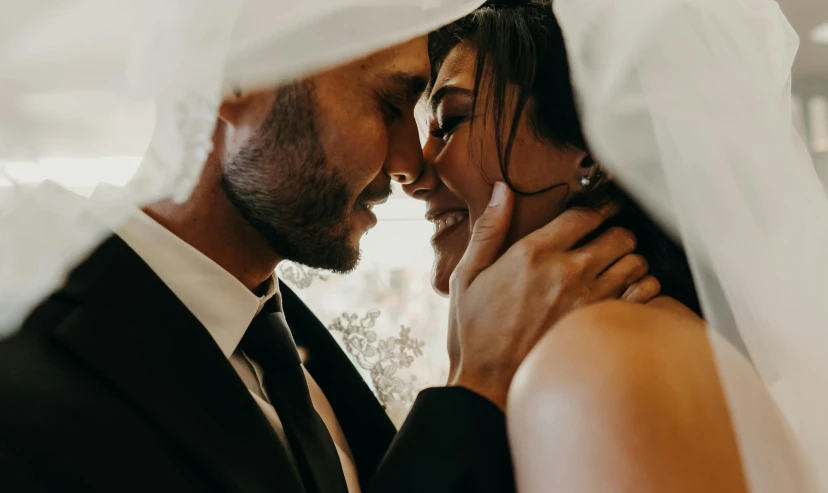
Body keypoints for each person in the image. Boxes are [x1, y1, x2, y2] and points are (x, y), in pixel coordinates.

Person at [0, 28, 658, 493]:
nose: (409, 164)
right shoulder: (24, 390)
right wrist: (474, 389)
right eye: (388, 105)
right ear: (236, 76)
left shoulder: (293, 346)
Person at [406, 1, 807, 491]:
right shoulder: (659, 341)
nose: (414, 173)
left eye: (448, 121)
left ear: (594, 150)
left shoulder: (599, 367)